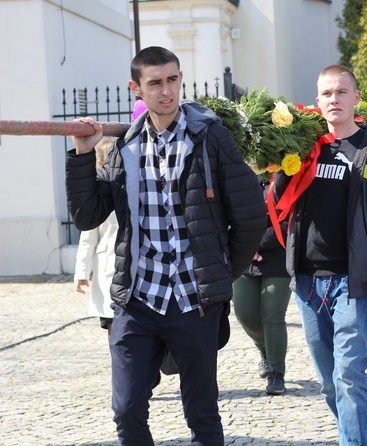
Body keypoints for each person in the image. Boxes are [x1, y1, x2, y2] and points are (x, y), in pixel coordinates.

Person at [65, 46, 267, 445]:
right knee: (126, 410)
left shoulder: (210, 137)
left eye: (172, 79)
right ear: (136, 88)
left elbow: (250, 215)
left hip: (193, 301)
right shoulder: (125, 146)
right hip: (137, 300)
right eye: (155, 82)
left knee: (202, 412)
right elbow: (88, 215)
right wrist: (82, 156)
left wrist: (223, 273)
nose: (166, 90)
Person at [274, 64, 367, 446]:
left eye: (341, 92)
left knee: (349, 374)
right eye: (327, 93)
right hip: (306, 282)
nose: (334, 99)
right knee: (328, 381)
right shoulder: (304, 148)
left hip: (354, 281)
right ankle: (349, 431)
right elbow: (279, 202)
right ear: (317, 101)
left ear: (356, 97)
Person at [232, 178, 292, 396]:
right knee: (245, 314)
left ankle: (277, 373)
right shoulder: (237, 174)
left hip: (278, 254)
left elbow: (290, 218)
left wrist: (257, 245)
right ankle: (265, 348)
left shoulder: (285, 174)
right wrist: (245, 247)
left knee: (272, 314)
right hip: (243, 256)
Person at [74, 138, 118, 336]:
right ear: (100, 164)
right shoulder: (97, 197)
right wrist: (82, 273)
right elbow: (88, 239)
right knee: (112, 323)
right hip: (107, 268)